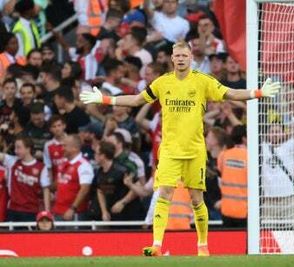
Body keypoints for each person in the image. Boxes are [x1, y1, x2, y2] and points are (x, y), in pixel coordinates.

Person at [80, 40, 280, 256]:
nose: (181, 59)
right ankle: (156, 245)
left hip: (194, 151)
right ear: (172, 58)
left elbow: (231, 93)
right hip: (169, 151)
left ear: (191, 58)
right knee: (163, 194)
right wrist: (105, 99)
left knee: (196, 199)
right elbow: (137, 100)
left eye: (185, 55)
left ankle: (202, 245)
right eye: (177, 56)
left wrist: (258, 93)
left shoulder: (203, 81)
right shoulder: (162, 82)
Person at [0, 136, 51, 222]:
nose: (16, 151)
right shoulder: (12, 161)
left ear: (28, 148)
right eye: (15, 147)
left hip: (31, 211)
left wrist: (47, 211)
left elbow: (46, 189)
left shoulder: (41, 167)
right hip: (13, 209)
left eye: (19, 147)